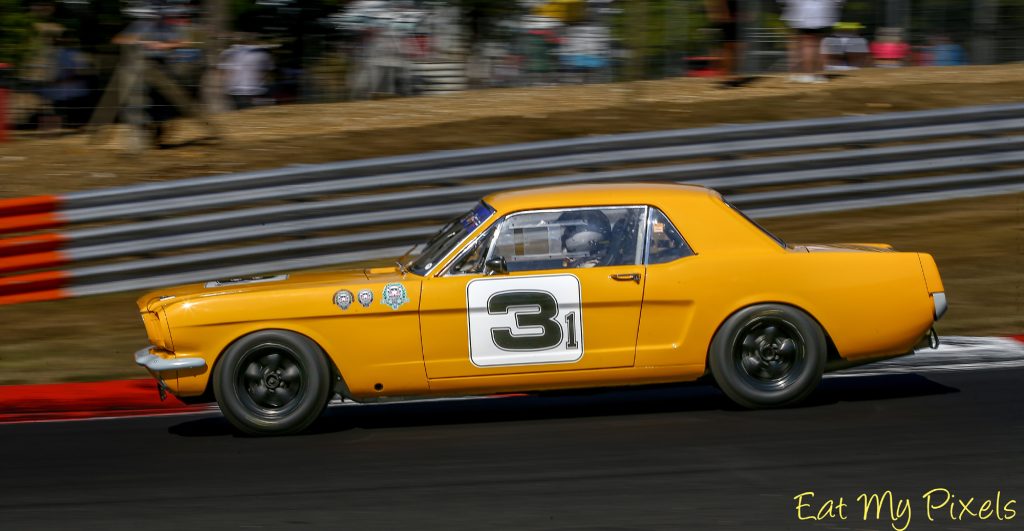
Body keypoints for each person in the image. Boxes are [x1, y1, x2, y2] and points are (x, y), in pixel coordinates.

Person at [779, 0, 844, 83]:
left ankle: (804, 74)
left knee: (804, 42)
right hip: (821, 12)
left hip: (801, 12)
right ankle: (814, 74)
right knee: (816, 42)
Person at [218, 41, 274, 110]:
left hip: (236, 91)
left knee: (240, 113)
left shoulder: (228, 53)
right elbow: (268, 73)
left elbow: (224, 73)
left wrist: (225, 87)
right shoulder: (263, 53)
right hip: (256, 90)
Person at [704, 0, 742, 86]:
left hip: (732, 19)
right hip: (728, 20)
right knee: (730, 46)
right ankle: (727, 73)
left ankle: (729, 73)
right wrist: (724, 15)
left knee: (734, 47)